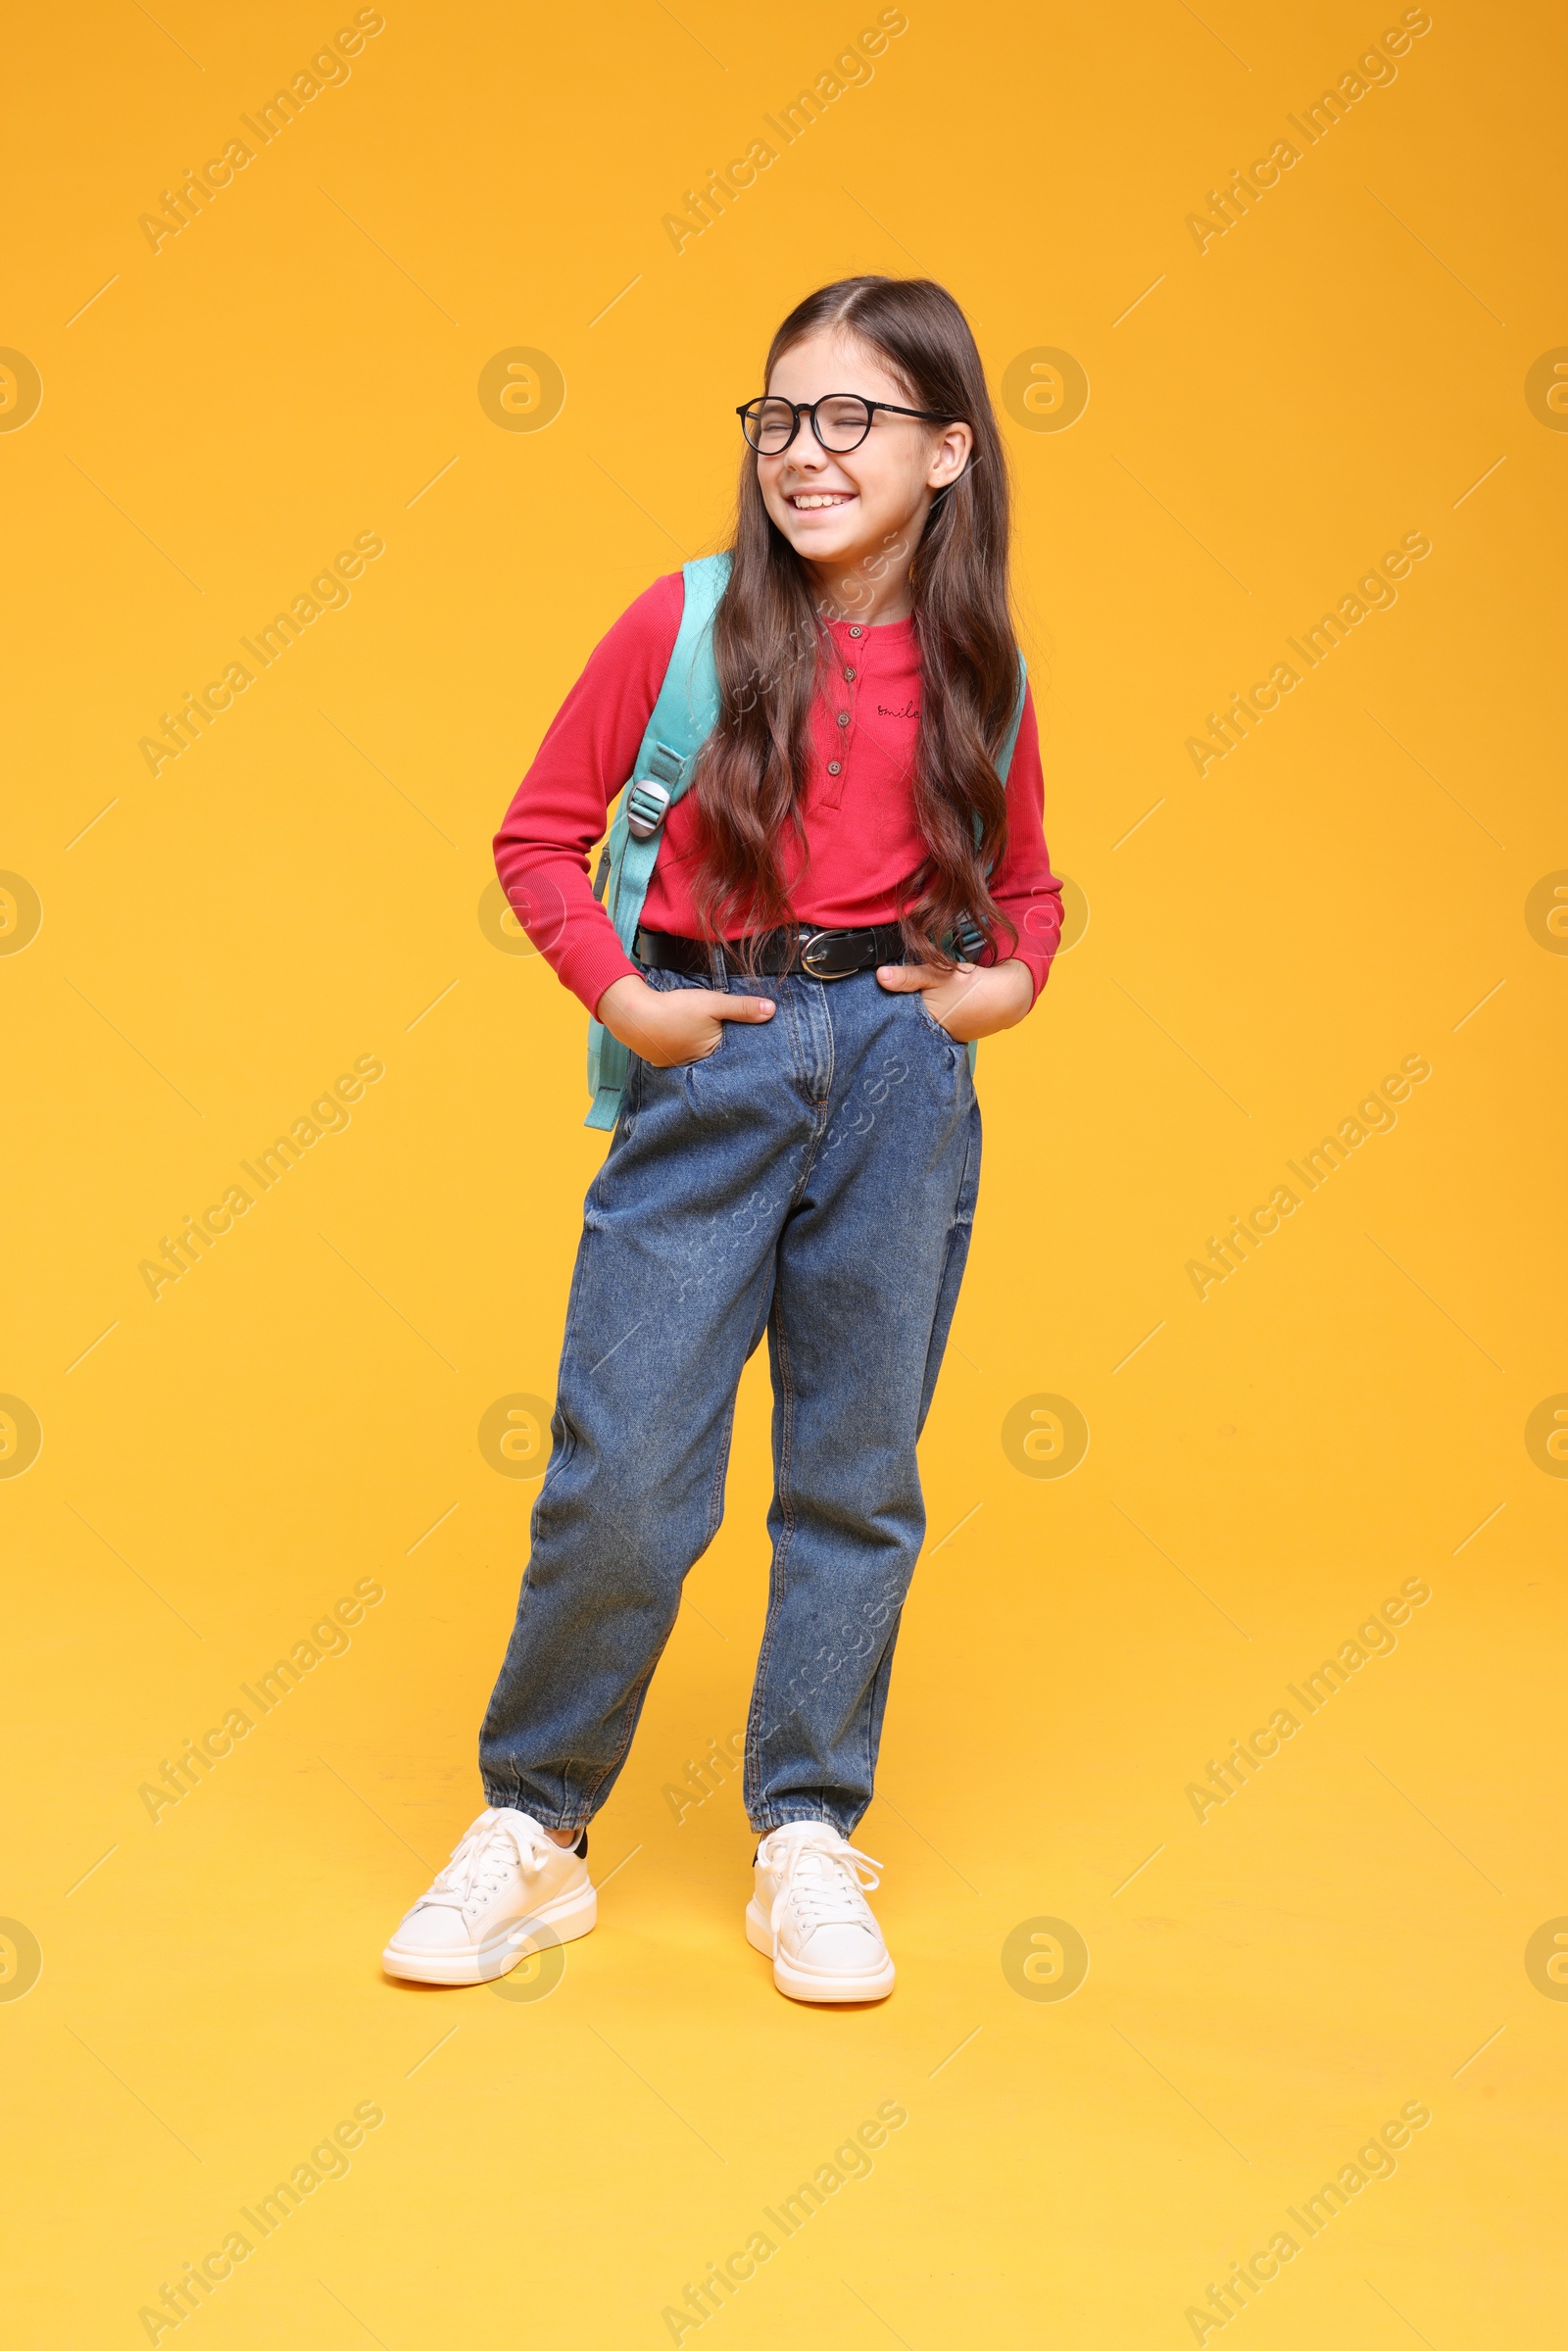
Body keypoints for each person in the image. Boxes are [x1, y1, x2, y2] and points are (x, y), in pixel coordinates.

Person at [382, 275, 1063, 2003]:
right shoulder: (680, 626)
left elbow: (1030, 891)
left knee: (855, 1472)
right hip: (717, 1058)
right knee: (625, 1476)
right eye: (780, 416)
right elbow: (539, 837)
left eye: (856, 420)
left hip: (902, 1077)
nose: (807, 451)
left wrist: (1002, 988)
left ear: (951, 454)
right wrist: (629, 1003)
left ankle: (808, 1834)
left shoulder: (986, 667)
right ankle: (535, 1830)